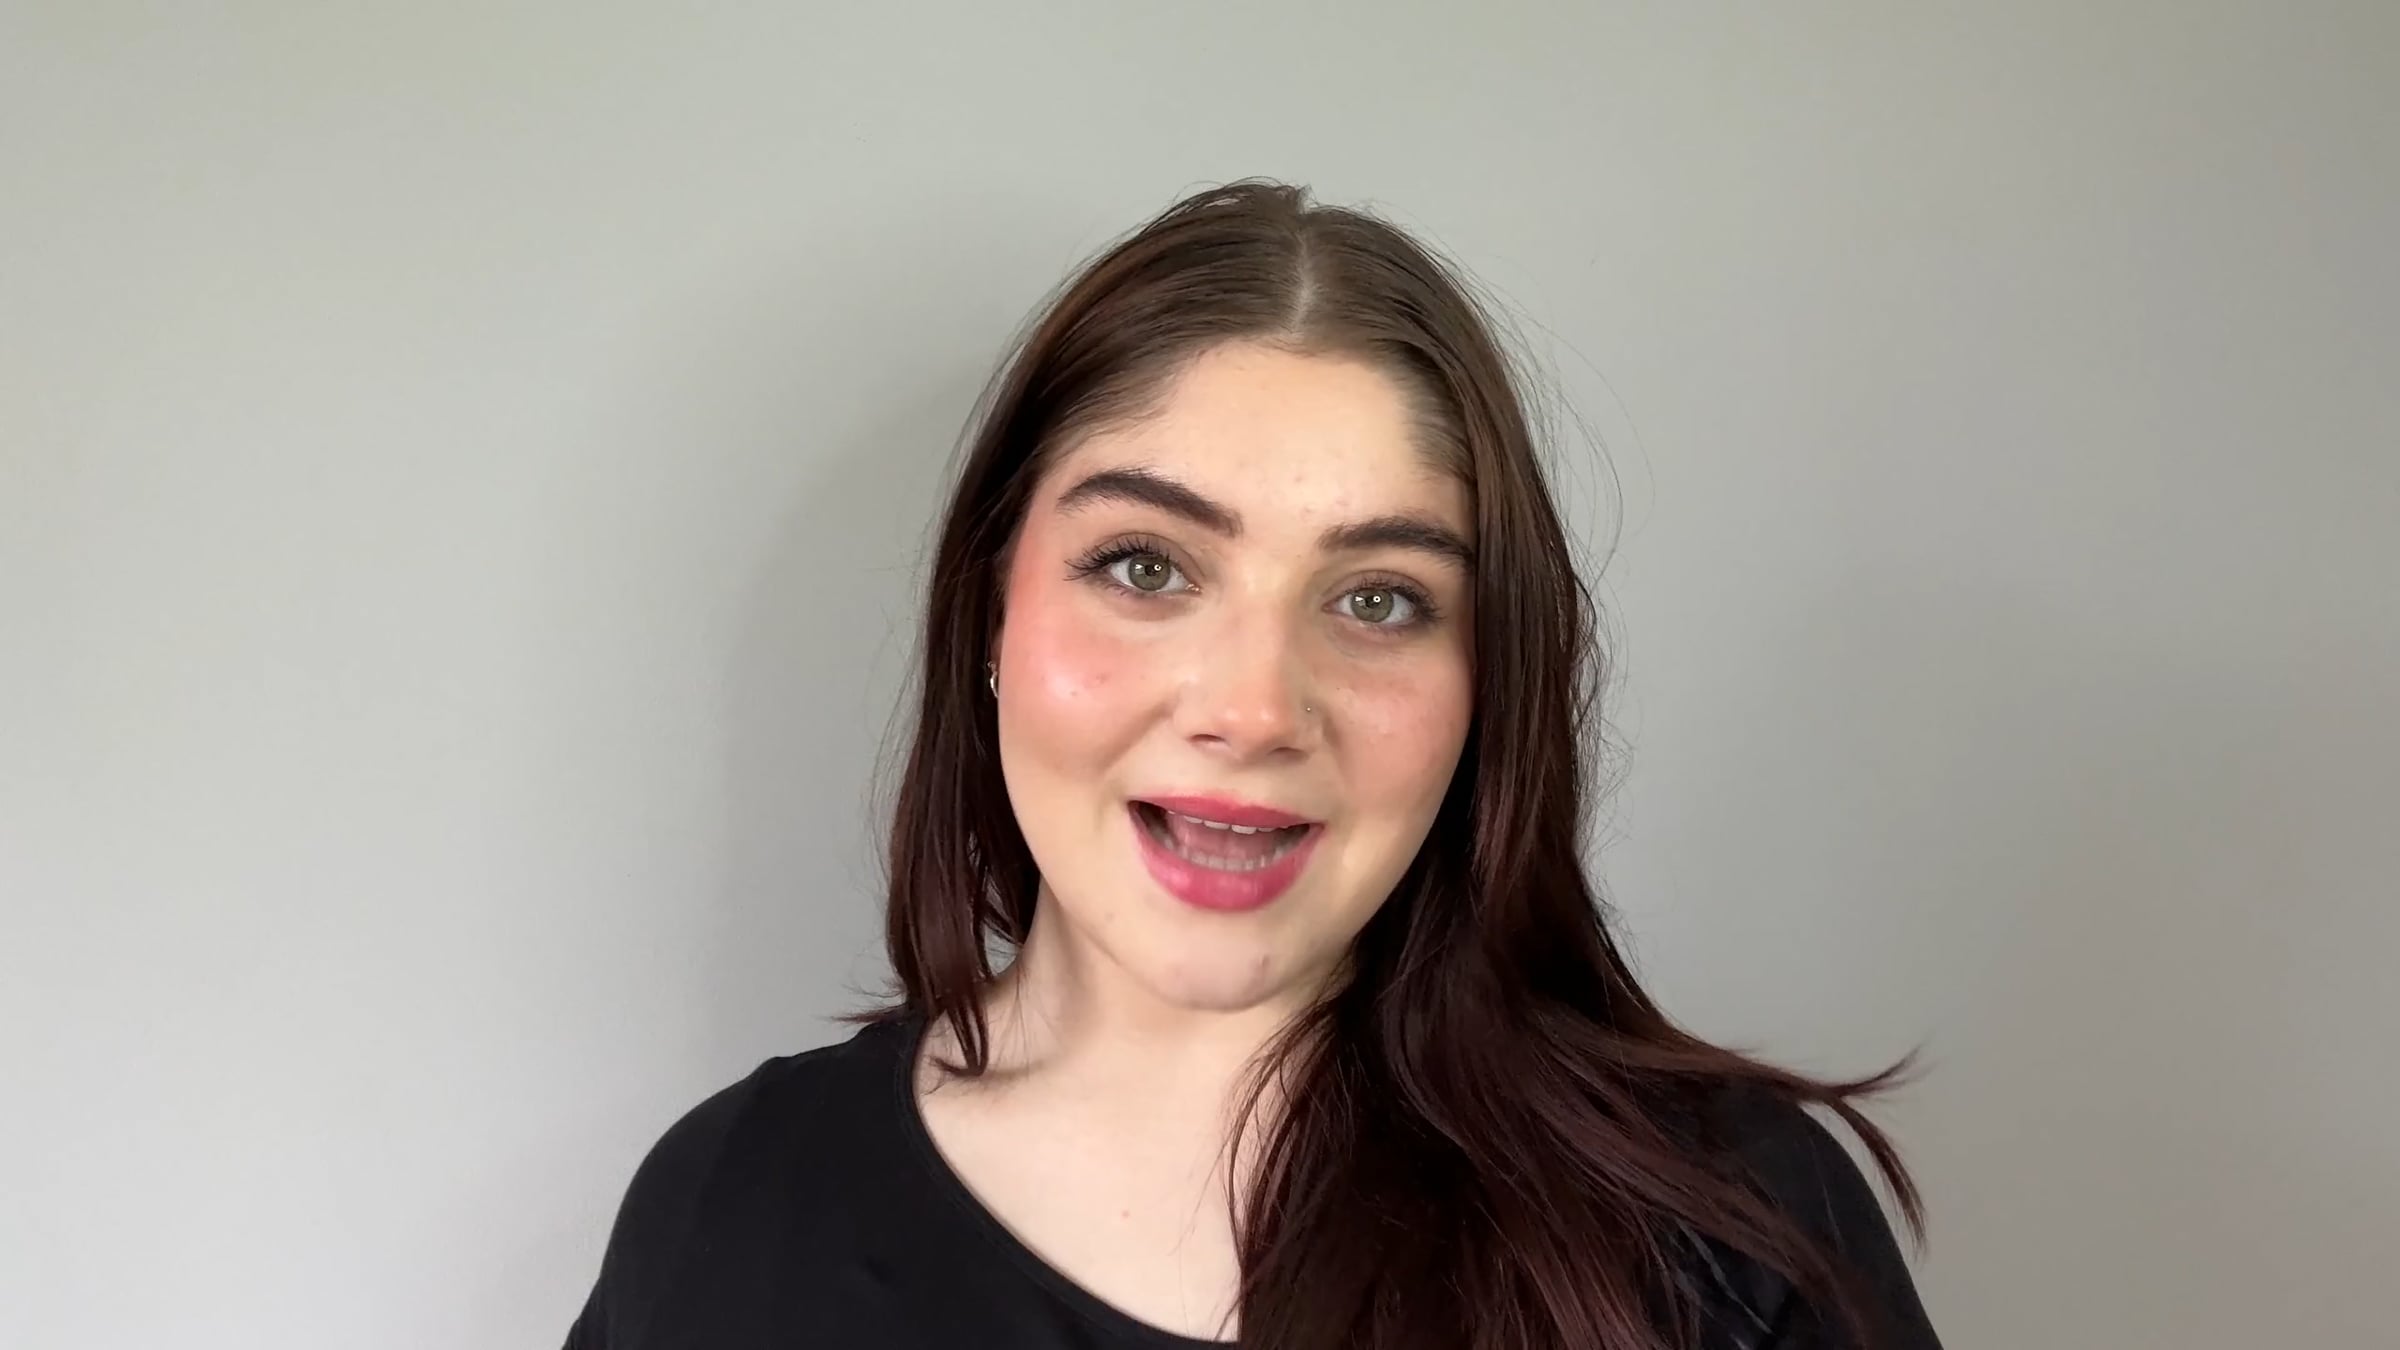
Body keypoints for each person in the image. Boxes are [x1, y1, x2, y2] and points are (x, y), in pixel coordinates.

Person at [562, 181, 1943, 1350]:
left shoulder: (1726, 1241)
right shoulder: (728, 1205)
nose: (1254, 708)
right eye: (1145, 568)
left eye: (1379, 598)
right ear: (992, 616)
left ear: (1486, 686)